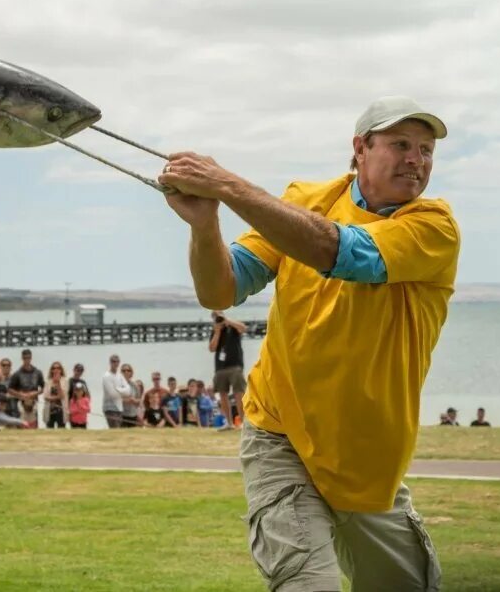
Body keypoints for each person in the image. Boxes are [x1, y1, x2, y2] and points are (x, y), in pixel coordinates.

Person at [160, 95, 457, 590]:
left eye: (426, 150)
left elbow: (335, 250)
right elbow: (221, 288)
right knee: (306, 583)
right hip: (278, 432)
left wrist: (227, 186)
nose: (416, 159)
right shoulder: (302, 200)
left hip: (367, 453)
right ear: (360, 148)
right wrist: (205, 221)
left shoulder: (433, 227)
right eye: (401, 144)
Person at [209, 310, 247, 431]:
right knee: (222, 395)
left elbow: (243, 328)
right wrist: (217, 332)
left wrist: (227, 321)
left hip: (235, 366)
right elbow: (212, 348)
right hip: (220, 368)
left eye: (219, 315)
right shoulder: (215, 331)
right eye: (215, 317)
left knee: (239, 394)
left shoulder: (233, 327)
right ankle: (229, 423)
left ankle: (243, 422)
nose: (218, 318)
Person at [8, 349, 44, 428]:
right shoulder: (17, 374)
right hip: (22, 405)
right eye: (25, 358)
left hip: (34, 404)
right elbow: (10, 389)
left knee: (34, 427)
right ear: (22, 358)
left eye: (28, 358)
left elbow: (43, 388)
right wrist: (20, 394)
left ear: (31, 358)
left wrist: (35, 393)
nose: (27, 360)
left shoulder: (38, 372)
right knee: (23, 426)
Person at [101, 354, 131, 428]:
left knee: (118, 429)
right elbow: (112, 394)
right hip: (109, 408)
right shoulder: (106, 376)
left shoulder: (119, 375)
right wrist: (122, 391)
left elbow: (128, 391)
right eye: (113, 361)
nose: (115, 363)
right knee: (115, 428)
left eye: (117, 361)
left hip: (119, 407)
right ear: (110, 363)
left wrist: (117, 389)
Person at [42, 362, 69, 429]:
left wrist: (58, 383)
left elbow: (62, 395)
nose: (56, 370)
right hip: (50, 410)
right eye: (54, 368)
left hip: (61, 410)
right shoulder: (48, 382)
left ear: (61, 370)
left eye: (58, 368)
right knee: (49, 431)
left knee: (62, 430)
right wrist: (57, 397)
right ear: (51, 370)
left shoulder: (65, 381)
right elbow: (45, 397)